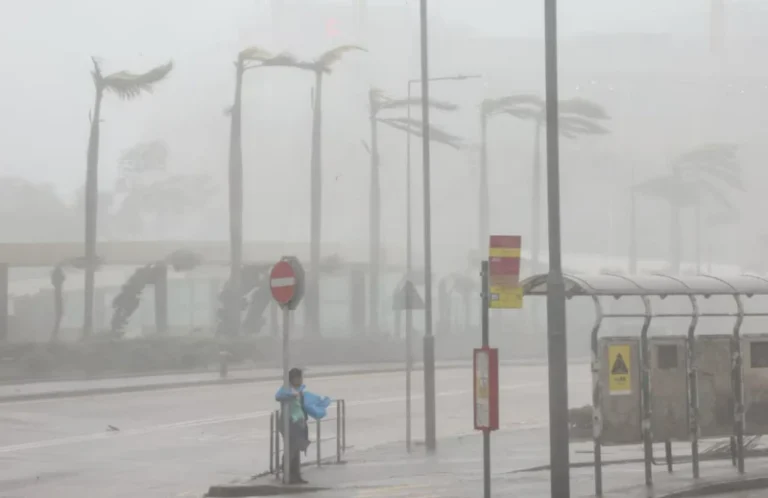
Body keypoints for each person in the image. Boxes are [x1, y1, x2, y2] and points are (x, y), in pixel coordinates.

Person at [275, 367, 310, 484]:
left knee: (297, 449)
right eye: (298, 378)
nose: (300, 380)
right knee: (291, 449)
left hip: (298, 422)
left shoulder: (299, 390)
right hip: (289, 422)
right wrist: (290, 395)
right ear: (292, 379)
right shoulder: (287, 389)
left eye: (301, 377)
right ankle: (287, 473)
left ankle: (296, 475)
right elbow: (278, 396)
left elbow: (301, 406)